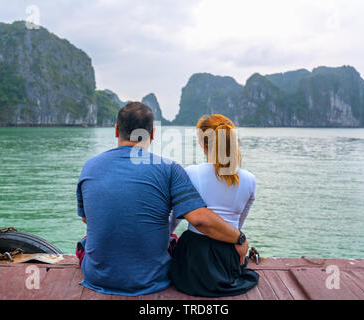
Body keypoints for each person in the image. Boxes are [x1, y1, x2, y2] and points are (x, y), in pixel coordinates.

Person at [76, 102, 250, 296]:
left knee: (85, 241)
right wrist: (239, 237)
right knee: (171, 239)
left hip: (96, 277)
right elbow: (200, 219)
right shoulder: (169, 169)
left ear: (116, 130)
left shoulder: (89, 167)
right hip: (152, 279)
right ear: (152, 134)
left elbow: (87, 219)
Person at [170, 114, 259, 297]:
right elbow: (237, 227)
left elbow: (173, 221)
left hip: (193, 261)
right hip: (228, 257)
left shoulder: (191, 173)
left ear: (203, 143)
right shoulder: (250, 180)